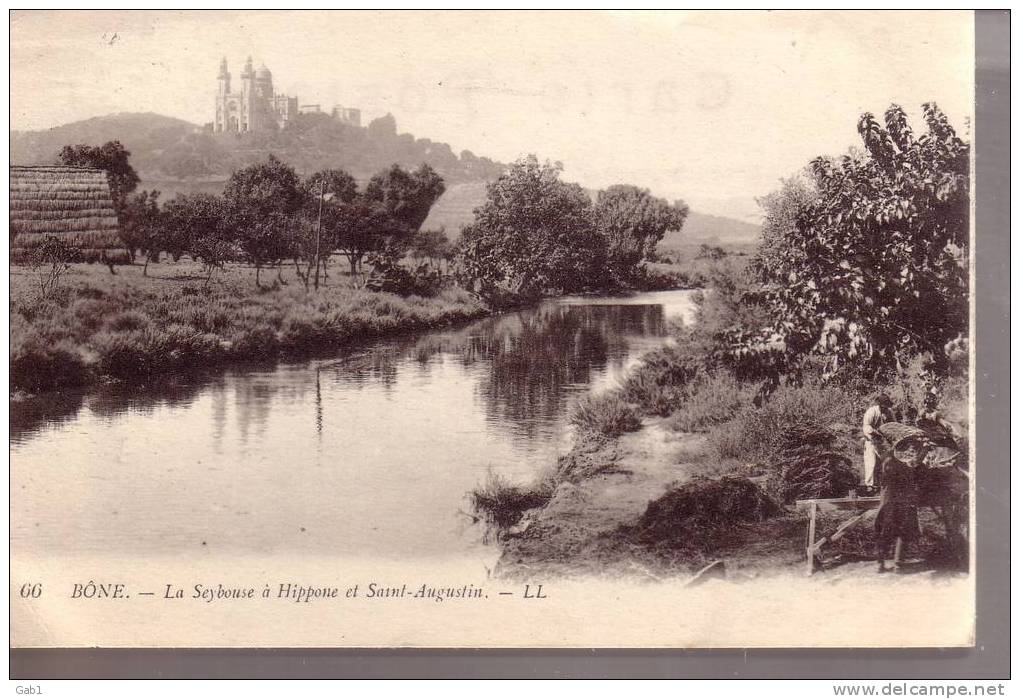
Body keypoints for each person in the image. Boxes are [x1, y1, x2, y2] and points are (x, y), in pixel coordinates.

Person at [875, 442, 924, 573]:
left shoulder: (886, 457)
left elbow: (879, 478)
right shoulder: (905, 460)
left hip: (888, 499)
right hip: (899, 499)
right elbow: (916, 475)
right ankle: (897, 564)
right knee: (901, 531)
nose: (910, 448)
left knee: (886, 531)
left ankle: (881, 563)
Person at [861, 393, 893, 494]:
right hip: (871, 439)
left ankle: (882, 484)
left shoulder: (889, 412)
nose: (885, 408)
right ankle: (869, 486)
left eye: (886, 406)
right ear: (880, 405)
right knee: (871, 463)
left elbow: (894, 425)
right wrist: (874, 433)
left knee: (886, 462)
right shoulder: (871, 411)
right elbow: (866, 426)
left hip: (883, 441)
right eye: (883, 406)